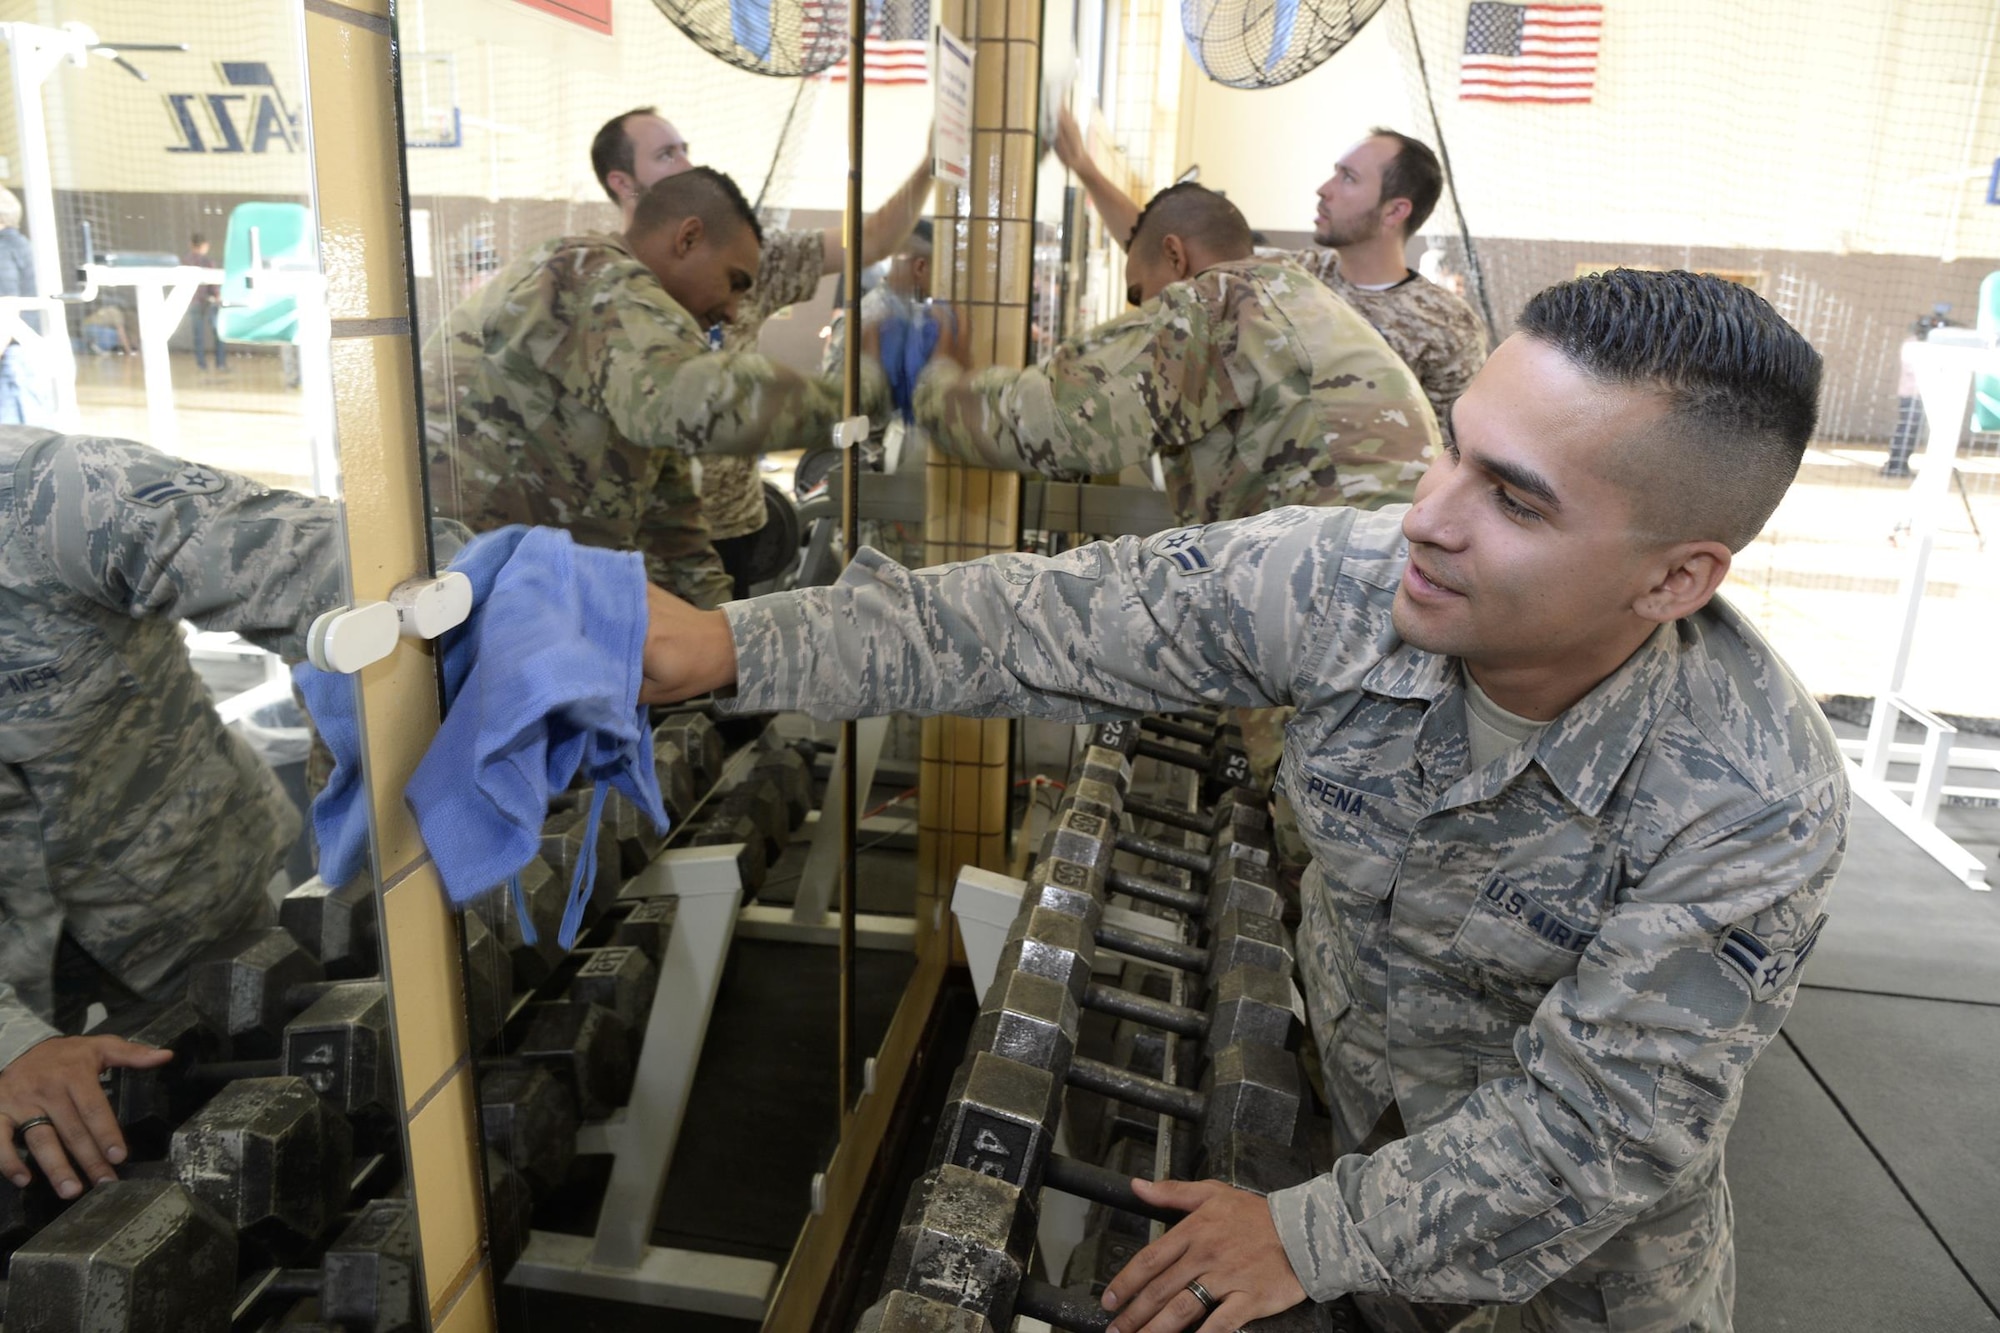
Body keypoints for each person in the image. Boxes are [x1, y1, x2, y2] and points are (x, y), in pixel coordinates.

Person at [633, 269, 1847, 1333]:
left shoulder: (1749, 795)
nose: (1427, 517)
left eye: (1514, 501)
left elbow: (1602, 1126)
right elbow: (1042, 620)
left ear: (1674, 577)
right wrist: (724, 646)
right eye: (1452, 451)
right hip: (1333, 1142)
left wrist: (1304, 1236)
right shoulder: (1348, 583)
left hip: (1564, 1279)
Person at [0, 427, 348, 1202]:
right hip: (17, 991)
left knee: (284, 1143)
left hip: (195, 908)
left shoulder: (52, 494)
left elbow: (341, 569)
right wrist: (9, 1046)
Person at [425, 167, 874, 609]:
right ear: (689, 238)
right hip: (467, 592)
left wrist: (726, 640)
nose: (734, 312)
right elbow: (698, 405)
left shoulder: (639, 351)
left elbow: (672, 523)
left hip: (524, 589)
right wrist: (870, 393)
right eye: (734, 282)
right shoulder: (599, 279)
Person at [914, 183, 1437, 526]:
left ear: (1175, 255)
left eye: (1140, 295)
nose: (1140, 314)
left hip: (1334, 607)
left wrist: (936, 378)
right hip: (1384, 584)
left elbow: (1046, 424)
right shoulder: (1295, 293)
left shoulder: (1215, 306)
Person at [589, 106, 934, 599]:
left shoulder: (748, 252)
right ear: (622, 182)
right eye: (666, 154)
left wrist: (929, 167)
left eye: (686, 148)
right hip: (634, 544)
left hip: (733, 527)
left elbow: (872, 239)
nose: (686, 163)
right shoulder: (600, 280)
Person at [1054, 113, 1488, 426]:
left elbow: (1452, 452)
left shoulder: (1448, 326)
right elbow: (1164, 245)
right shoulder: (1287, 274)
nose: (1324, 189)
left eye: (1348, 179)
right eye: (1334, 173)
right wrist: (1085, 168)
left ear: (1396, 210)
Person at [0, 187, 54, 426]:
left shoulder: (3, 248)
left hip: (14, 358)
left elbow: (7, 306)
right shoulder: (23, 244)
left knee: (15, 444)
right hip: (30, 353)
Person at [182, 232, 226, 373]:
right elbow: (213, 285)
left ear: (191, 244)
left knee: (198, 335)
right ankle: (220, 363)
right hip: (210, 301)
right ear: (205, 245)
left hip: (193, 301)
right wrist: (218, 296)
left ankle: (201, 365)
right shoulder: (208, 262)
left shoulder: (185, 261)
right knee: (218, 332)